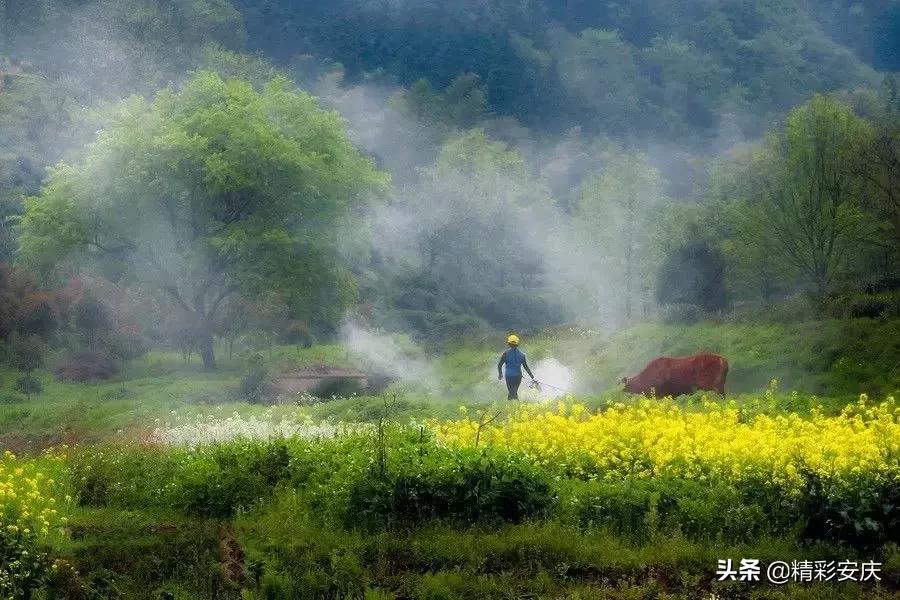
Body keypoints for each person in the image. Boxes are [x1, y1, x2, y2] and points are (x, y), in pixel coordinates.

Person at [497, 334, 535, 400]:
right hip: (518, 377)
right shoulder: (522, 355)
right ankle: (513, 406)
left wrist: (500, 374)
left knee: (512, 392)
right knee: (513, 392)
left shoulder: (505, 353)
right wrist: (532, 377)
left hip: (509, 376)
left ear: (508, 343)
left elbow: (499, 365)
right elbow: (526, 368)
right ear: (517, 344)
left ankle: (514, 405)